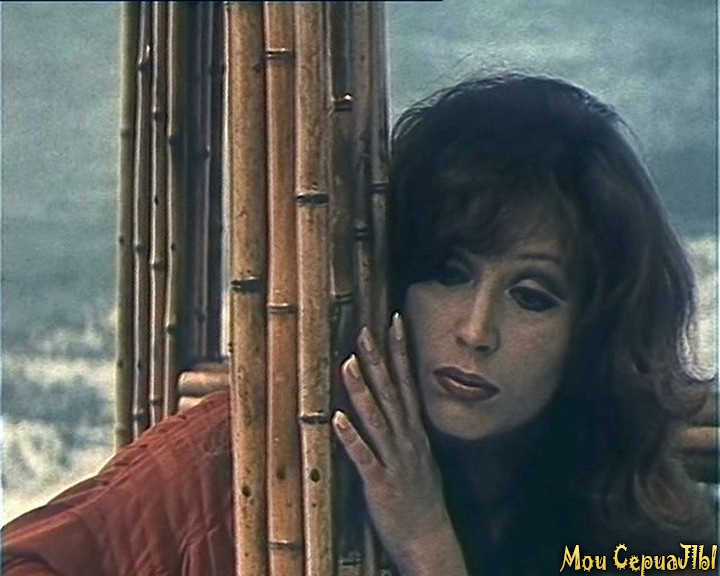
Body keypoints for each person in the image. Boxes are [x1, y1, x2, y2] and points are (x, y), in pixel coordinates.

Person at [2, 73, 715, 575]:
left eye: (531, 297)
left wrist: (427, 545)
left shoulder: (638, 516)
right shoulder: (258, 455)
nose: (476, 330)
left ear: (592, 330)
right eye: (449, 272)